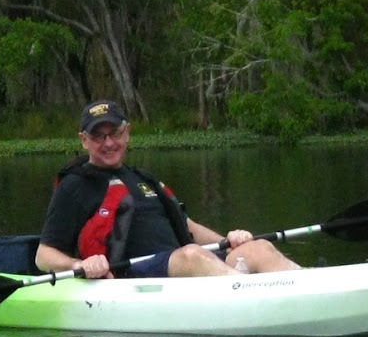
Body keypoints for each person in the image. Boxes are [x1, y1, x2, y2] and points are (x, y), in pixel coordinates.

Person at [35, 100, 300, 280]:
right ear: (84, 141)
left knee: (258, 247)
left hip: (186, 265)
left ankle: (308, 285)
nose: (109, 143)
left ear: (127, 133)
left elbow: (189, 227)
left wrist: (230, 241)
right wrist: (79, 265)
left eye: (115, 133)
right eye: (98, 136)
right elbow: (43, 256)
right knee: (192, 255)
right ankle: (256, 299)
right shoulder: (74, 185)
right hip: (134, 275)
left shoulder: (142, 178)